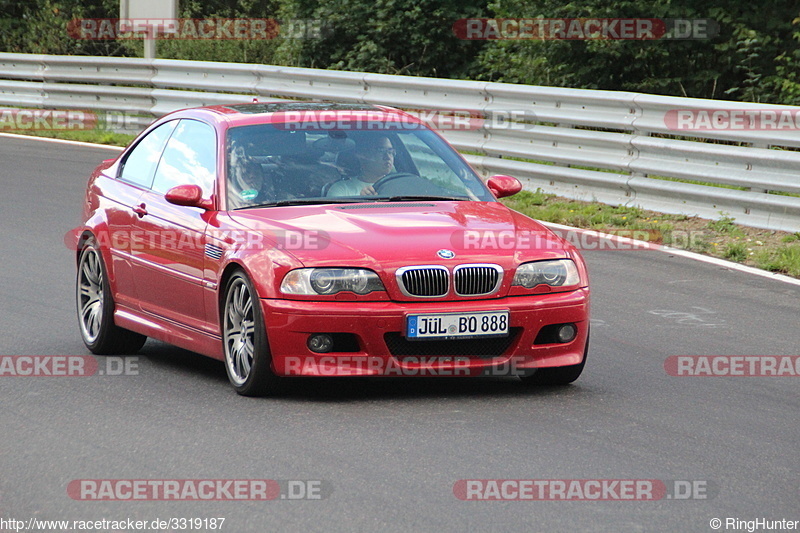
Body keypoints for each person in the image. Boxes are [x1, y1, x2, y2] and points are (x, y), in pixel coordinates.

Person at [326, 135, 396, 197]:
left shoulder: (398, 185)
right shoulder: (341, 189)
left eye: (390, 151)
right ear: (363, 156)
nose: (388, 157)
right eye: (381, 151)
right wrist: (362, 201)